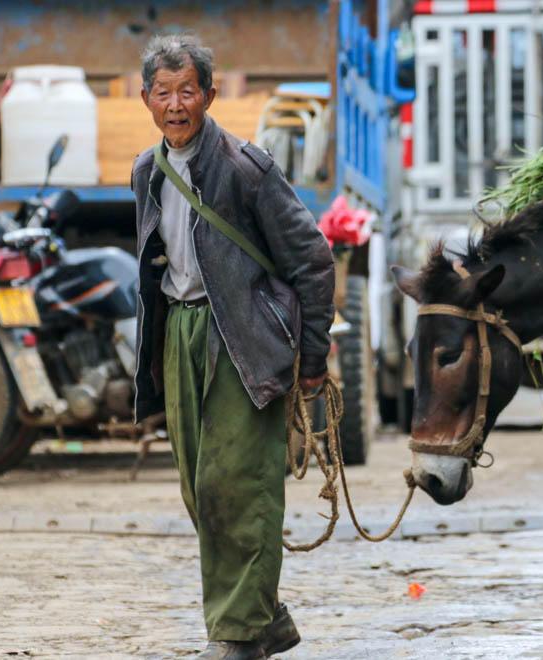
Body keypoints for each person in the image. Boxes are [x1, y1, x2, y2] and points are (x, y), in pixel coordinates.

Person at [131, 35, 335, 659]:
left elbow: (314, 259)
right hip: (182, 337)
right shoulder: (146, 170)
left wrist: (313, 360)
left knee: (239, 484)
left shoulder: (247, 167)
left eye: (186, 91)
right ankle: (264, 617)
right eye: (162, 93)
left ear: (209, 95)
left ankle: (238, 635)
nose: (175, 104)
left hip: (241, 340)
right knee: (200, 488)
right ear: (146, 99)